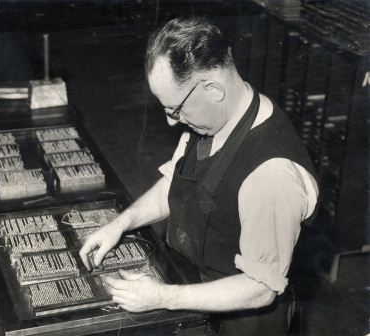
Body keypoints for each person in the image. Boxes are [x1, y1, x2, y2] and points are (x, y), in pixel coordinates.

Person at [79, 17, 319, 335]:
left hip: (243, 321)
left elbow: (261, 288)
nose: (170, 122)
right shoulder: (214, 118)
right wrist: (120, 224)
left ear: (213, 89)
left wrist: (163, 296)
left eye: (174, 110)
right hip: (193, 293)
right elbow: (175, 185)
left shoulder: (271, 175)